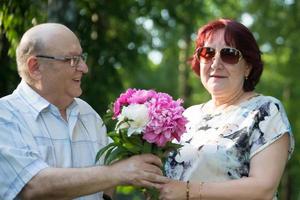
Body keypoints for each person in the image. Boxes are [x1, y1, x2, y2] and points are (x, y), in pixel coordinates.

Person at [0, 23, 168, 200]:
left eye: (81, 57)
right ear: (35, 67)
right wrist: (118, 173)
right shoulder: (6, 115)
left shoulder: (87, 113)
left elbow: (109, 168)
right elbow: (32, 185)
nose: (84, 68)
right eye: (72, 59)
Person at [159, 18, 294, 200]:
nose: (215, 63)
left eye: (229, 54)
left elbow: (263, 189)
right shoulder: (186, 116)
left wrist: (188, 191)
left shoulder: (265, 111)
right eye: (207, 53)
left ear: (248, 66)